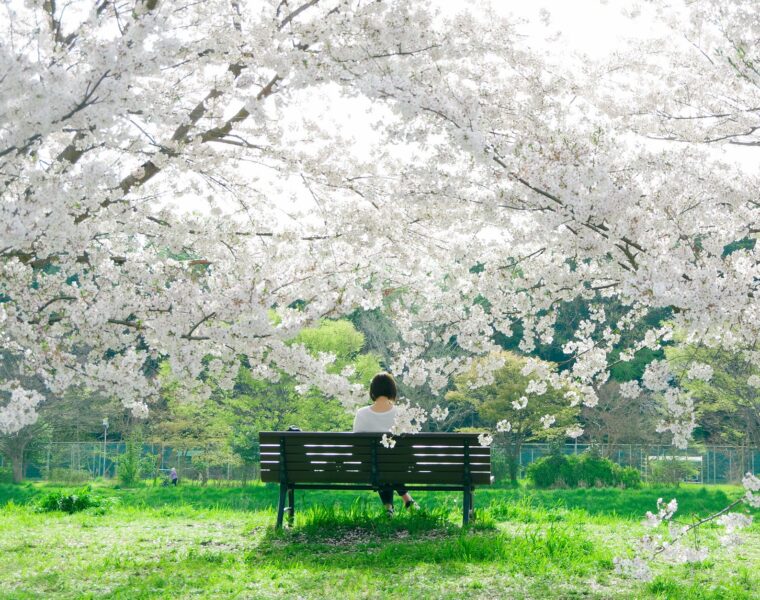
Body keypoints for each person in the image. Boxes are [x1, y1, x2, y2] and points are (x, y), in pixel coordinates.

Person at [353, 372, 418, 516]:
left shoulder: (361, 413)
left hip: (368, 467)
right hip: (399, 466)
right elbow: (407, 446)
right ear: (392, 390)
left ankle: (388, 507)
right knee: (390, 461)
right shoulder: (401, 413)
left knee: (379, 462)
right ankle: (407, 499)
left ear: (372, 391)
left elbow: (357, 447)